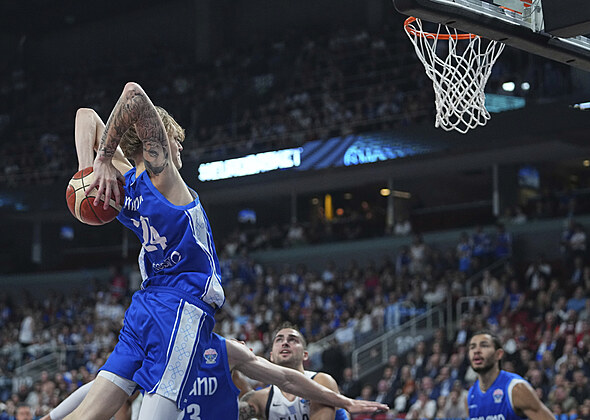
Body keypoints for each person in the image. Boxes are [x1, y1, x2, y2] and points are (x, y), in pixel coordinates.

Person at [64, 82, 226, 420]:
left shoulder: (123, 186)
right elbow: (133, 93)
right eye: (176, 140)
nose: (180, 147)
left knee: (85, 416)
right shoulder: (163, 176)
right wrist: (101, 160)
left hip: (145, 306)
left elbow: (85, 116)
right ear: (160, 137)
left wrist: (89, 170)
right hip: (182, 306)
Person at [42, 333, 388, 420]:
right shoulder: (157, 352)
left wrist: (344, 401)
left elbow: (284, 378)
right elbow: (103, 385)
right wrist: (54, 415)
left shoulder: (225, 349)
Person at [240, 323, 354, 420]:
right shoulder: (261, 398)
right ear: (271, 356)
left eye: (292, 340)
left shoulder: (321, 381)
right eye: (279, 340)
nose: (285, 343)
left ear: (305, 355)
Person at [466, 331, 556, 420]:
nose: (476, 351)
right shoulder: (471, 394)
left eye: (484, 346)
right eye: (472, 347)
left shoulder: (516, 388)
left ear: (498, 354)